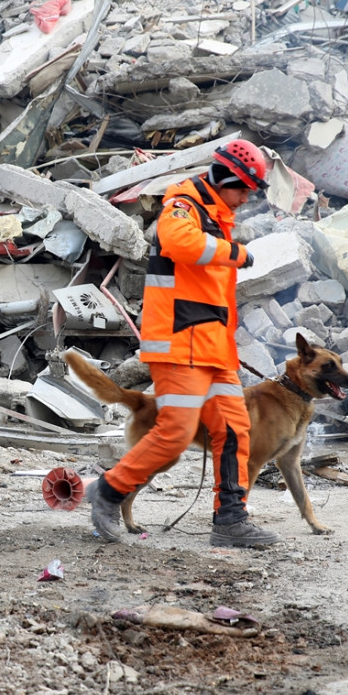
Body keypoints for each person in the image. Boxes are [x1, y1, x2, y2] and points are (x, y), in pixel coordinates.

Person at [87, 139, 281, 548]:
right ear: (225, 179)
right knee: (176, 432)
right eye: (244, 189)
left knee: (234, 430)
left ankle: (230, 520)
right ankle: (107, 491)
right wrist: (235, 252)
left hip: (212, 350)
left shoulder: (215, 216)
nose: (246, 199)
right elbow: (178, 243)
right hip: (180, 343)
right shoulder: (183, 204)